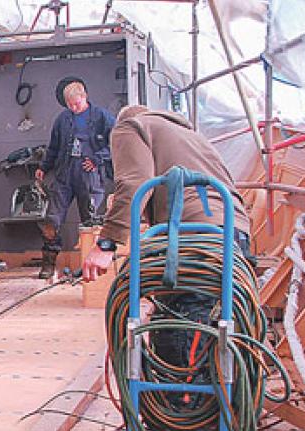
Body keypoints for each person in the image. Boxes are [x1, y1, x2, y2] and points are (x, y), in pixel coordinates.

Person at [82, 105, 252, 367]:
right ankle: (225, 388)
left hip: (194, 233)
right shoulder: (189, 135)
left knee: (182, 331)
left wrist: (107, 243)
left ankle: (182, 389)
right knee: (226, 323)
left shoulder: (131, 126)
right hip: (235, 230)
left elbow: (135, 182)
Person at [35, 80, 116, 279]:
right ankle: (48, 265)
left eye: (76, 104)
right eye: (69, 105)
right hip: (65, 173)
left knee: (91, 221)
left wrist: (97, 159)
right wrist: (44, 167)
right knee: (51, 220)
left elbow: (116, 141)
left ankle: (92, 269)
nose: (73, 108)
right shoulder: (62, 120)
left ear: (84, 96)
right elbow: (54, 147)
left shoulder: (102, 117)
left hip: (90, 176)